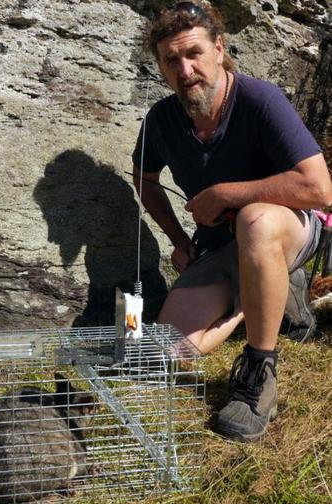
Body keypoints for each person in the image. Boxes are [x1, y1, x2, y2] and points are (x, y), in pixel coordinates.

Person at [132, 1, 332, 441]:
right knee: (168, 349)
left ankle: (259, 374)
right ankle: (259, 302)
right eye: (171, 60)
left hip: (292, 228)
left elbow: (319, 190)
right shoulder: (161, 120)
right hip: (219, 246)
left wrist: (226, 194)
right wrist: (180, 240)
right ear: (162, 68)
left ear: (219, 49)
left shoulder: (260, 99)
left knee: (255, 222)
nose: (185, 70)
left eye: (194, 54)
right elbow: (144, 180)